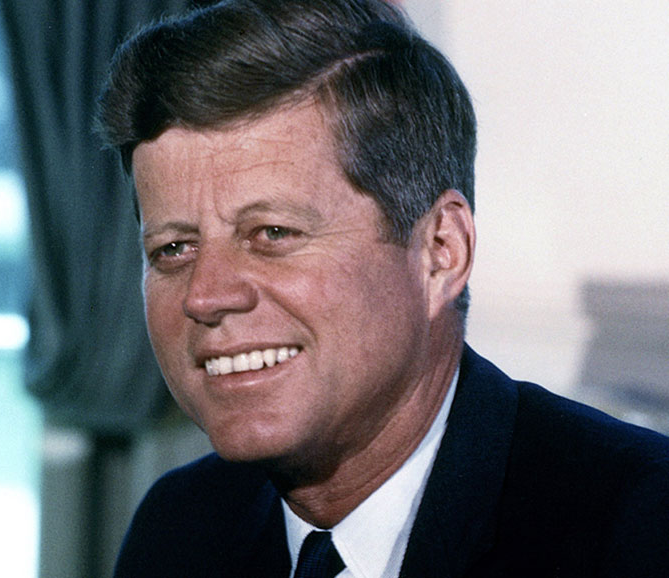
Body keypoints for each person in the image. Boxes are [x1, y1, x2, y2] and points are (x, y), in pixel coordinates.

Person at [96, 1, 669, 576]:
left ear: (441, 253)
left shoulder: (640, 526)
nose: (205, 296)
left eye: (272, 233)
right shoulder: (181, 529)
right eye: (174, 248)